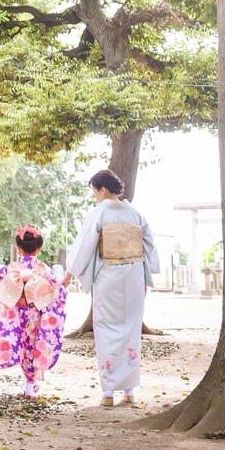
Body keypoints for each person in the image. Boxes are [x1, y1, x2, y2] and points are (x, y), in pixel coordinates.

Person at [63, 168, 160, 407]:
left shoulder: (100, 212)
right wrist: (149, 271)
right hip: (134, 274)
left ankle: (108, 393)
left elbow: (85, 245)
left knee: (106, 328)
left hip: (110, 275)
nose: (95, 196)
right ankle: (129, 391)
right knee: (130, 329)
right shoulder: (136, 213)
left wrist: (70, 273)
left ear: (103, 190)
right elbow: (149, 244)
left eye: (95, 192)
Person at [0, 225, 67, 398]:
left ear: (18, 248)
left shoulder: (12, 268)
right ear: (39, 248)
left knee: (24, 347)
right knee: (33, 345)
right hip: (36, 314)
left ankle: (30, 383)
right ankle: (31, 384)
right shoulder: (43, 269)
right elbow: (59, 290)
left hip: (18, 314)